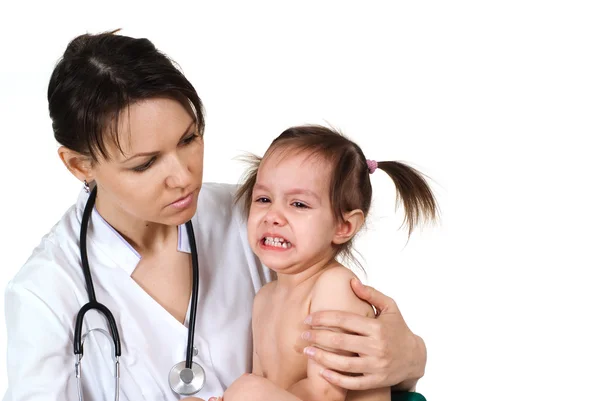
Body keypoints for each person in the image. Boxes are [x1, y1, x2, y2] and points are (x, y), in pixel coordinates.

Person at [3, 31, 427, 401]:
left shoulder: (258, 218)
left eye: (189, 139)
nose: (182, 176)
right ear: (80, 166)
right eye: (145, 163)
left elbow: (346, 377)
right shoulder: (44, 292)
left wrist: (410, 356)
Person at [217, 126, 437, 401]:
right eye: (263, 199)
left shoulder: (333, 287)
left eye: (298, 204)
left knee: (246, 390)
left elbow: (325, 393)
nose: (273, 215)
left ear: (343, 226)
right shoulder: (264, 297)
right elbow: (265, 380)